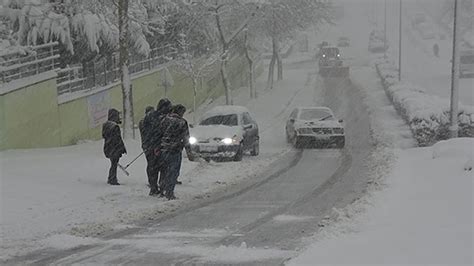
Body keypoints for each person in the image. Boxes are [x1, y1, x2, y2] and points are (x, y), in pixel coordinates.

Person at [160, 104, 192, 200]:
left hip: (164, 148)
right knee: (173, 171)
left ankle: (161, 188)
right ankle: (169, 192)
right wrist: (189, 151)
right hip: (175, 149)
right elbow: (186, 138)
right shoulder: (182, 122)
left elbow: (158, 133)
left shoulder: (164, 120)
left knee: (164, 170)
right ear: (180, 112)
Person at [143, 98, 172, 196]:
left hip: (149, 146)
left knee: (152, 168)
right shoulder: (163, 118)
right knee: (163, 167)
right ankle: (161, 187)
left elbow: (145, 130)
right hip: (159, 146)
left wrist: (147, 143)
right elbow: (162, 132)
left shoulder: (149, 116)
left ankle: (153, 187)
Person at [102, 108, 127, 185]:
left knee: (113, 163)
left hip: (108, 148)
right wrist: (122, 148)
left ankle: (111, 178)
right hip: (114, 148)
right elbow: (118, 139)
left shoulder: (106, 125)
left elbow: (105, 136)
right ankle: (112, 179)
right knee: (114, 164)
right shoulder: (115, 126)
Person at [138, 106, 155, 188]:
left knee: (151, 164)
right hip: (149, 145)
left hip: (146, 144)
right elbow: (148, 133)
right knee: (151, 164)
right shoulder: (144, 122)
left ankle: (151, 181)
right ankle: (151, 181)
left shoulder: (143, 121)